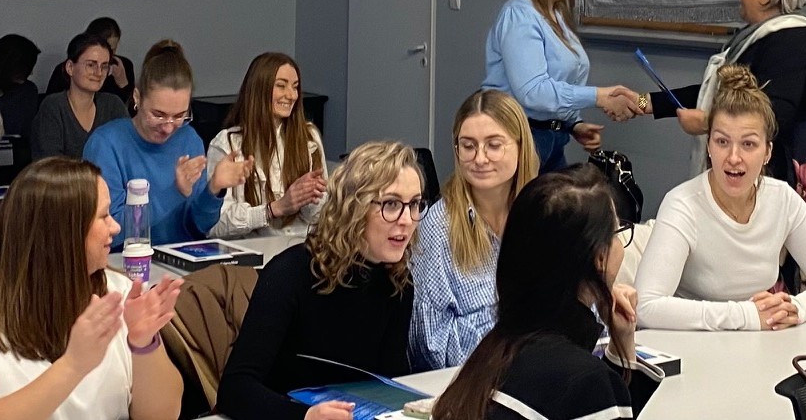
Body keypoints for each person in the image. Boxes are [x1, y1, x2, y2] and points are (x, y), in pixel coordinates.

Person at [0, 157, 184, 420]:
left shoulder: (118, 291)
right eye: (103, 216)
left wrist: (143, 343)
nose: (115, 227)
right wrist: (73, 366)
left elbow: (161, 415)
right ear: (62, 232)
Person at [635, 0, 806, 242]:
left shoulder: (792, 43)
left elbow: (771, 114)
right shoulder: (765, 38)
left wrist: (708, 123)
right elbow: (719, 93)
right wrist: (643, 102)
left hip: (789, 177)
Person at [635, 65, 806, 331]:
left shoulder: (782, 199)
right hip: (693, 343)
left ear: (767, 152)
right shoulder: (682, 204)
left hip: (759, 341)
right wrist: (746, 316)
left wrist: (796, 307)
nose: (734, 157)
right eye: (722, 142)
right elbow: (646, 306)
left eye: (748, 144)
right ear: (708, 145)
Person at [433, 164, 661, 420]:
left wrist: (622, 345)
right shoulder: (585, 382)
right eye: (617, 232)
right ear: (599, 258)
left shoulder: (490, 354)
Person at [217, 141, 423, 420]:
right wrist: (304, 417)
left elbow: (387, 385)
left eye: (414, 204)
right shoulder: (291, 273)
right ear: (354, 208)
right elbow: (235, 389)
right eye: (392, 204)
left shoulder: (398, 283)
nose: (407, 220)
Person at [482, 0, 640, 171]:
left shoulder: (556, 13)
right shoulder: (520, 16)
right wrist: (599, 97)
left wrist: (573, 124)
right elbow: (534, 92)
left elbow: (559, 82)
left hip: (552, 141)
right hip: (518, 139)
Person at [410, 90, 539, 370]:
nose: (480, 158)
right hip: (469, 379)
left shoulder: (544, 216)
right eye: (468, 146)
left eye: (494, 145)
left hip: (543, 370)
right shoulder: (439, 226)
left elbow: (578, 314)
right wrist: (516, 323)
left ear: (521, 147)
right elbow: (430, 345)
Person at [83, 40, 250, 247]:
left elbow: (199, 226)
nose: (169, 128)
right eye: (158, 115)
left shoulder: (189, 139)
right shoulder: (106, 144)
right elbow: (111, 230)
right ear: (137, 98)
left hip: (182, 256)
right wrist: (175, 192)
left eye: (179, 116)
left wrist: (214, 189)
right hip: (125, 259)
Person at [206, 52, 327, 239]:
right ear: (259, 89)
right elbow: (215, 226)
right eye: (281, 86)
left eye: (295, 87)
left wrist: (309, 197)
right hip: (254, 249)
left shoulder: (309, 136)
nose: (291, 95)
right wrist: (274, 209)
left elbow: (320, 218)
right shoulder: (227, 143)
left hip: (303, 246)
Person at [32, 34, 128, 160]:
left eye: (104, 66)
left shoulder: (113, 105)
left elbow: (128, 152)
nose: (99, 73)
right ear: (70, 67)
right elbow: (50, 164)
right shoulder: (53, 107)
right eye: (91, 65)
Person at [46, 17, 136, 107]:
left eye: (113, 49)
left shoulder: (123, 66)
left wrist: (123, 84)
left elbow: (132, 109)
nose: (99, 72)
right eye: (90, 64)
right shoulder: (67, 69)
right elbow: (50, 104)